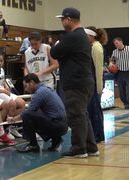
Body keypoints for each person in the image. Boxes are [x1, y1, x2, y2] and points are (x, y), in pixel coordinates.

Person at [51, 7, 99, 158]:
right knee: (82, 115)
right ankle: (91, 147)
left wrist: (59, 49)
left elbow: (54, 52)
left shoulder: (72, 37)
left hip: (76, 82)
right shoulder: (83, 36)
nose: (62, 22)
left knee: (75, 115)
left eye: (62, 19)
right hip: (85, 81)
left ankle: (79, 149)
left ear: (69, 19)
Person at [16, 74, 68, 153]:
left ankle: (32, 144)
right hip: (63, 125)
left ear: (32, 82)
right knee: (38, 114)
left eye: (26, 86)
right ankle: (56, 139)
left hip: (57, 125)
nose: (26, 90)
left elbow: (28, 112)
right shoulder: (46, 89)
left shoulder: (40, 93)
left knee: (27, 115)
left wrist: (13, 119)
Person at [0, 50, 25, 123]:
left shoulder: (2, 69)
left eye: (1, 61)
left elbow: (2, 81)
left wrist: (6, 86)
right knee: (12, 104)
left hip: (2, 91)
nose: (0, 63)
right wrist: (4, 91)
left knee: (22, 104)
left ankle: (10, 122)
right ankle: (3, 125)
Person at [85, 26, 108, 142]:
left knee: (95, 111)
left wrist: (99, 87)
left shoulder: (96, 47)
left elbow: (98, 69)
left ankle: (98, 136)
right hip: (92, 84)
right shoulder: (93, 46)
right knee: (93, 110)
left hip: (94, 84)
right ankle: (96, 135)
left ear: (91, 36)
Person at [111, 37, 129, 109]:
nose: (116, 45)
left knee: (128, 89)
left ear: (121, 42)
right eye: (115, 44)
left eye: (117, 43)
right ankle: (126, 103)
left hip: (128, 71)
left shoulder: (128, 49)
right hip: (120, 72)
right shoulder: (115, 51)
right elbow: (112, 61)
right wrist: (111, 64)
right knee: (121, 90)